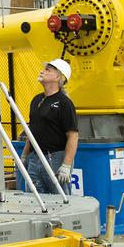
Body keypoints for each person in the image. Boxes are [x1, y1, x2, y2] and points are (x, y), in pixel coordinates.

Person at [25, 59, 78, 195]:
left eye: (48, 69)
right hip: (35, 158)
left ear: (58, 77)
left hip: (55, 159)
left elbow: (73, 135)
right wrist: (25, 155)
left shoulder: (64, 103)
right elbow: (32, 130)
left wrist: (66, 165)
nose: (42, 71)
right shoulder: (36, 100)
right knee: (33, 200)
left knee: (59, 201)